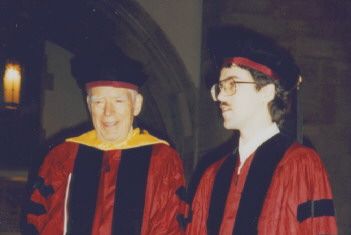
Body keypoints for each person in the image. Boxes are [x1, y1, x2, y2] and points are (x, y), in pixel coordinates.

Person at [185, 25, 338, 235]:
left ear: (266, 92)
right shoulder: (212, 175)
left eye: (232, 85)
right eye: (219, 87)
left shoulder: (299, 165)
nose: (221, 97)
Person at [24, 46, 186, 235]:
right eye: (99, 102)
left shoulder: (162, 161)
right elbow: (39, 222)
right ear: (88, 105)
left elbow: (170, 228)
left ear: (137, 105)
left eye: (118, 101)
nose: (108, 113)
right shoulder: (62, 158)